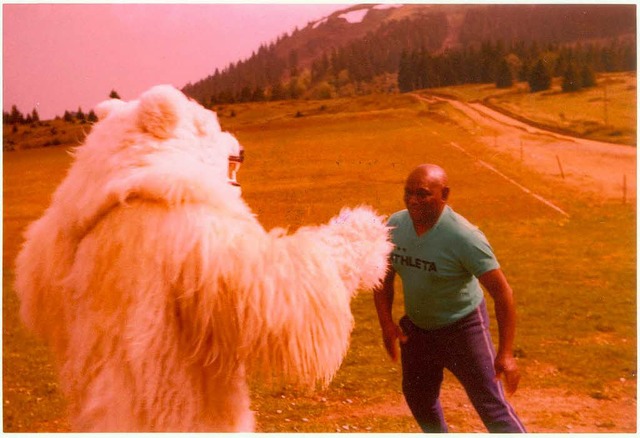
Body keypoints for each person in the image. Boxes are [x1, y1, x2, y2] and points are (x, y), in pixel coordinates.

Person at [373, 163, 526, 433]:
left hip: (463, 328)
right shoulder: (395, 226)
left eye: (422, 194)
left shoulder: (464, 237)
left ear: (444, 194)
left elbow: (503, 293)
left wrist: (506, 353)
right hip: (418, 329)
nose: (412, 200)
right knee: (419, 398)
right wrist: (387, 324)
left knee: (490, 404)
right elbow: (382, 277)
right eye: (407, 193)